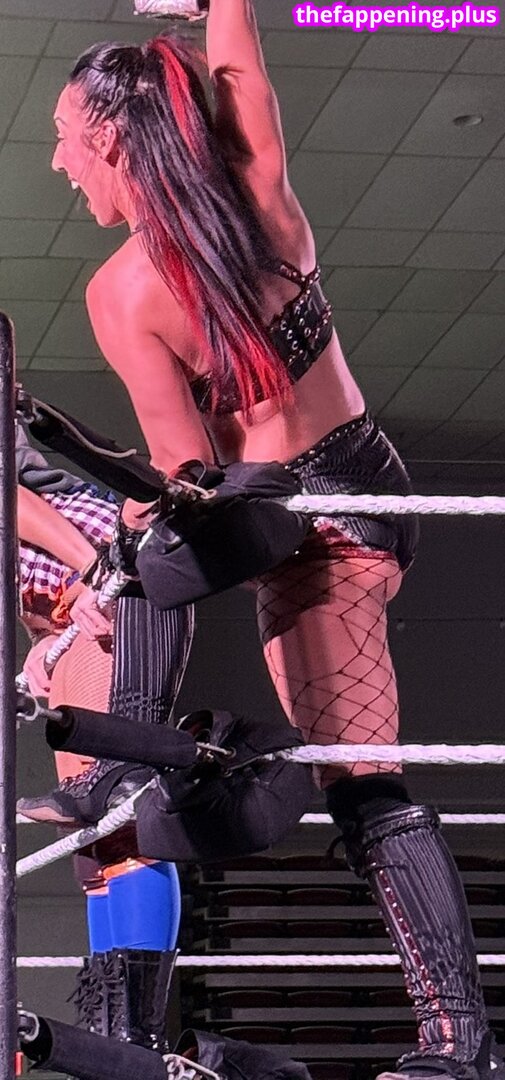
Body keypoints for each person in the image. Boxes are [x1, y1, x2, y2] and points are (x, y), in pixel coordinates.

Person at [45, 4, 500, 1078]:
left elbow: (185, 477)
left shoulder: (124, 291)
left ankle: (459, 1042)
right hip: (366, 487)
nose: (61, 165)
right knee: (152, 569)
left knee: (358, 777)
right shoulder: (258, 190)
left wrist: (117, 562)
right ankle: (137, 757)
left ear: (108, 137)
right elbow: (241, 55)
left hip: (305, 539)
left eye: (64, 139)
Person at [16, 421, 193, 1050]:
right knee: (92, 841)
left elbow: (11, 498)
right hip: (67, 588)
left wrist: (98, 572)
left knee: (119, 815)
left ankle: (134, 1036)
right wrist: (43, 640)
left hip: (96, 569)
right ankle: (112, 1030)